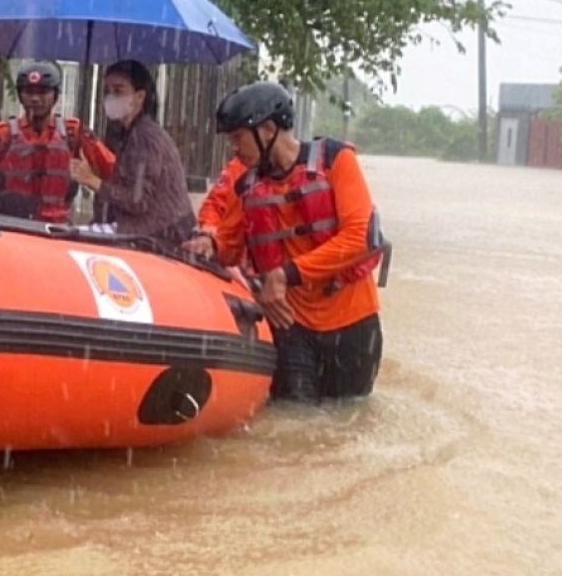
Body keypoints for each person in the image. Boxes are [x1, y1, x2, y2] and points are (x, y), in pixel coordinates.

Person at [182, 81, 384, 402]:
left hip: (353, 324)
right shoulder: (246, 185)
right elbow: (232, 248)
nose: (234, 149)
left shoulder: (337, 161)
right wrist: (210, 246)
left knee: (347, 420)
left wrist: (283, 274)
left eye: (237, 138)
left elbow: (359, 237)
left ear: (268, 129)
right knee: (294, 421)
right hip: (291, 326)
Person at [69, 59, 195, 246]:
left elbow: (138, 201)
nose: (111, 97)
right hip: (154, 230)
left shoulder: (143, 137)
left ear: (139, 97)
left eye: (118, 91)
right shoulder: (134, 133)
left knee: (71, 241)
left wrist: (93, 181)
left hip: (156, 234)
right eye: (107, 91)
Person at [0, 61, 116, 223]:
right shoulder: (3, 134)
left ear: (55, 95)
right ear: (20, 95)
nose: (35, 98)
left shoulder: (73, 132)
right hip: (13, 227)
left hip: (58, 230)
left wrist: (91, 178)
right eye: (29, 92)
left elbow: (114, 170)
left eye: (43, 92)